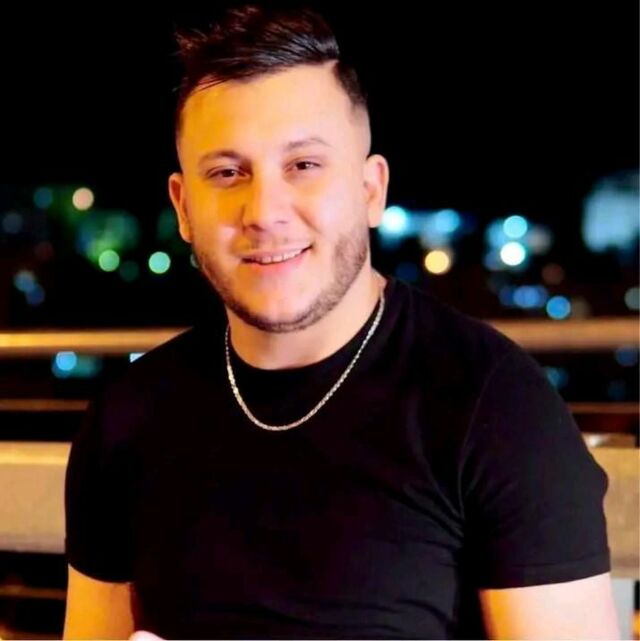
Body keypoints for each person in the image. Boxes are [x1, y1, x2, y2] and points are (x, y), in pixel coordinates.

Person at [63, 5, 620, 639]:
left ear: (370, 190)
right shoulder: (127, 415)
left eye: (303, 165)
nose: (264, 210)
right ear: (184, 207)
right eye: (227, 173)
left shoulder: (495, 407)